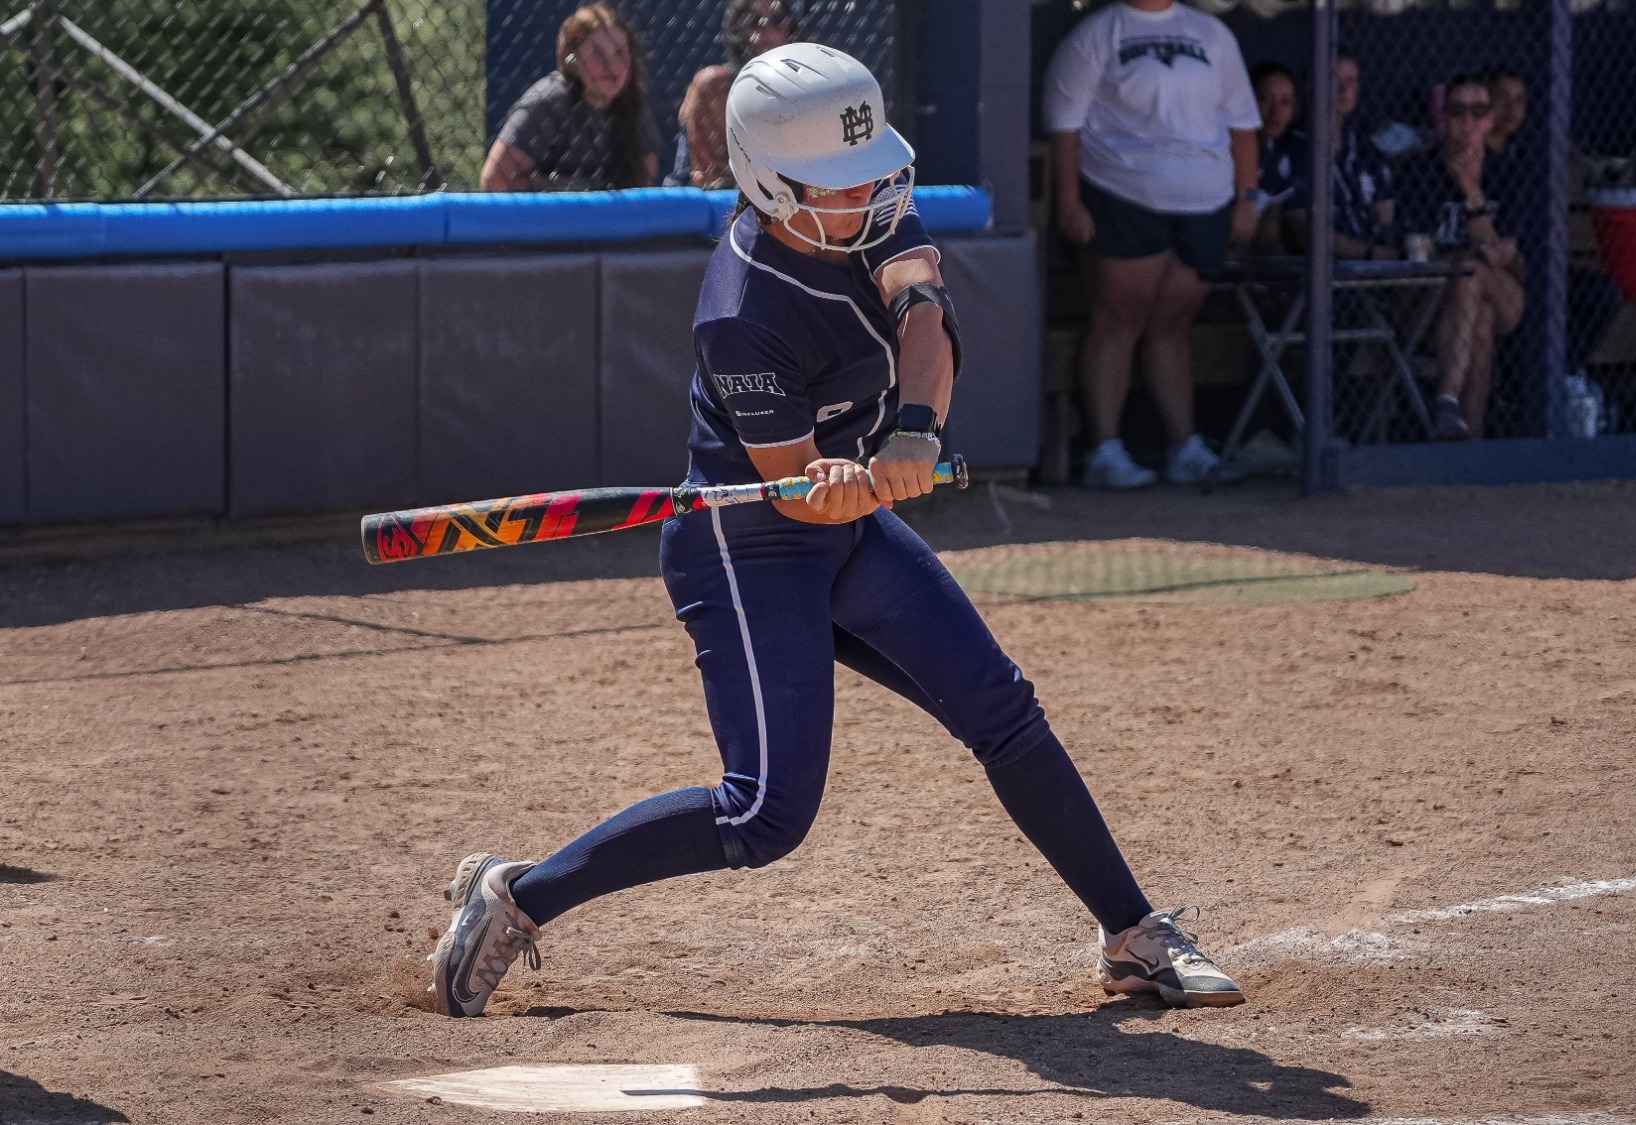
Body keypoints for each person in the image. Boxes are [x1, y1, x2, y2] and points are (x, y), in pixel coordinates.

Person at [428, 43, 1245, 1020]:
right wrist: (841, 483)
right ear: (774, 186)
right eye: (841, 185)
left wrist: (910, 432)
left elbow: (923, 316)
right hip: (751, 546)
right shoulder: (741, 314)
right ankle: (518, 898)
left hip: (847, 525)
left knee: (1000, 708)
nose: (872, 195)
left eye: (872, 177)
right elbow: (794, 494)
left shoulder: (862, 194)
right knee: (763, 813)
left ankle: (1129, 932)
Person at [1045, 0, 1263, 488]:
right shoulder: (1097, 33)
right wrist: (1070, 202)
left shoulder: (1211, 33)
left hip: (1206, 204)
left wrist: (1248, 196)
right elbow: (1065, 125)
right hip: (1124, 196)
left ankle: (1184, 446)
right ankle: (1105, 450)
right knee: (1118, 318)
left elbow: (1243, 122)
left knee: (1173, 323)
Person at [1478, 64, 1623, 395]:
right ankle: (1531, 390)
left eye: (1520, 100)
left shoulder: (1525, 158)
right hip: (1494, 271)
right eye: (1502, 99)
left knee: (1602, 293)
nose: (1512, 110)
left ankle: (1559, 378)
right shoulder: (1472, 156)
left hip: (1533, 270)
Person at [1400, 75, 1523, 440]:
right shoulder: (1419, 173)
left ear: (1490, 119)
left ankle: (1446, 399)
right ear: (1443, 118)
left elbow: (1502, 257)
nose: (1468, 121)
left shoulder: (1508, 173)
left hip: (1506, 294)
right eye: (1457, 111)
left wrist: (1469, 187)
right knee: (1477, 312)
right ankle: (1471, 442)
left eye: (1478, 111)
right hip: (1431, 300)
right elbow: (1420, 253)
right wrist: (1483, 248)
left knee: (1471, 272)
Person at [481, 3, 660, 192]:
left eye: (620, 52)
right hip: (544, 219)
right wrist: (577, 191)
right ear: (572, 59)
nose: (612, 65)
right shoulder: (547, 100)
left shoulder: (633, 103)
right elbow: (494, 181)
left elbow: (644, 181)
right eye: (597, 53)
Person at [1251, 57, 1398, 260]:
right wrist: (1372, 254)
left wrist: (1397, 256)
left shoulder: (1367, 150)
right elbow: (1304, 230)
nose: (1342, 89)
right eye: (1333, 79)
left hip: (1379, 269)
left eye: (1350, 81)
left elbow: (1387, 220)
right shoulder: (1289, 150)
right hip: (1326, 273)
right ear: (1310, 86)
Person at [671, 0, 798, 188]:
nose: (768, 31)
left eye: (778, 20)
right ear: (738, 31)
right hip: (725, 198)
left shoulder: (807, 84)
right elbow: (709, 178)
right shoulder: (715, 85)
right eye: (754, 21)